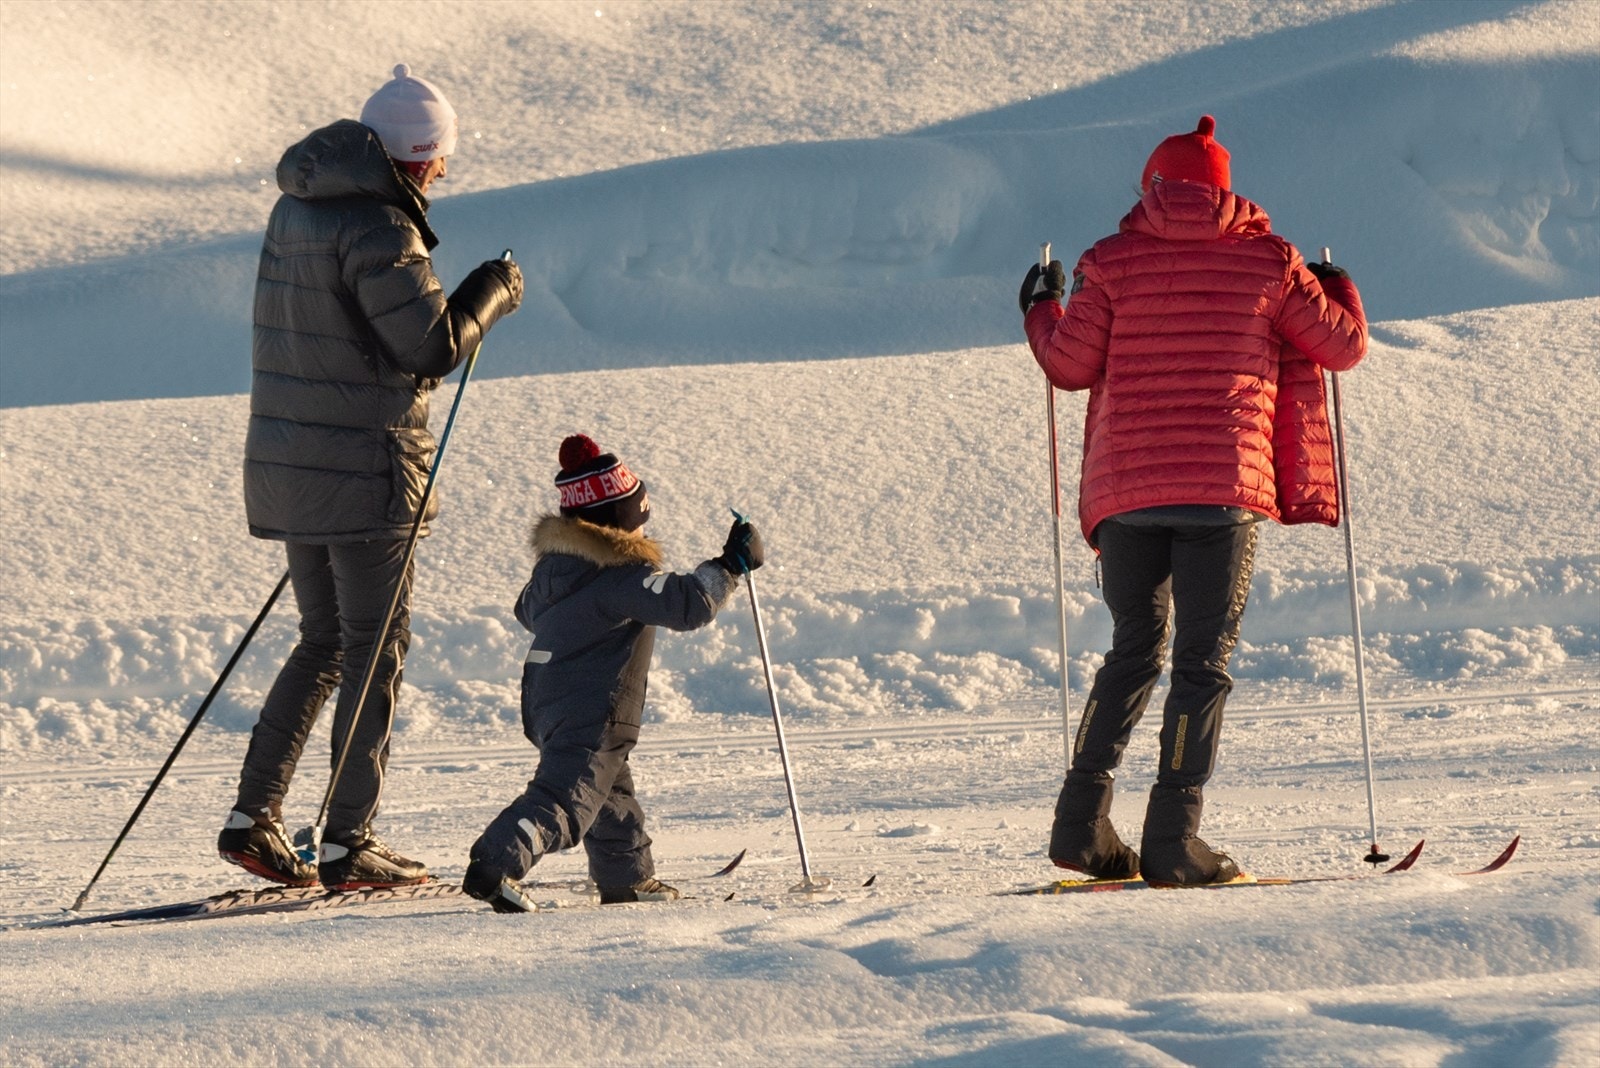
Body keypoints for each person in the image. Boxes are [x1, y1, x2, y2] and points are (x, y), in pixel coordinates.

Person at [1019, 115, 1367, 886]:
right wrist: (1339, 288)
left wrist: (1039, 308)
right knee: (1200, 664)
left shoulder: (1106, 262)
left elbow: (1069, 366)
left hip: (1129, 495)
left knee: (1132, 652)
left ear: (1153, 186)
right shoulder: (1270, 261)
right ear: (1225, 188)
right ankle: (1174, 839)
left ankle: (1081, 825)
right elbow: (1340, 346)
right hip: (1222, 493)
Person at [217, 65, 524, 890]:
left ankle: (255, 819)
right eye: (441, 160)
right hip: (366, 470)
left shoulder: (298, 208)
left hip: (292, 465)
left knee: (323, 642)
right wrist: (491, 293)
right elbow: (428, 348)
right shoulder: (382, 227)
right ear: (420, 159)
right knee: (373, 649)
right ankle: (350, 840)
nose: (444, 173)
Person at [462, 434, 764, 913]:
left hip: (546, 698)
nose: (644, 535)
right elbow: (687, 604)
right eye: (638, 524)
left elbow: (526, 610)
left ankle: (627, 879)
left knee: (609, 792)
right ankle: (496, 863)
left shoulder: (553, 572)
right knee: (568, 797)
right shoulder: (618, 577)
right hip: (593, 705)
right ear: (618, 526)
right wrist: (731, 565)